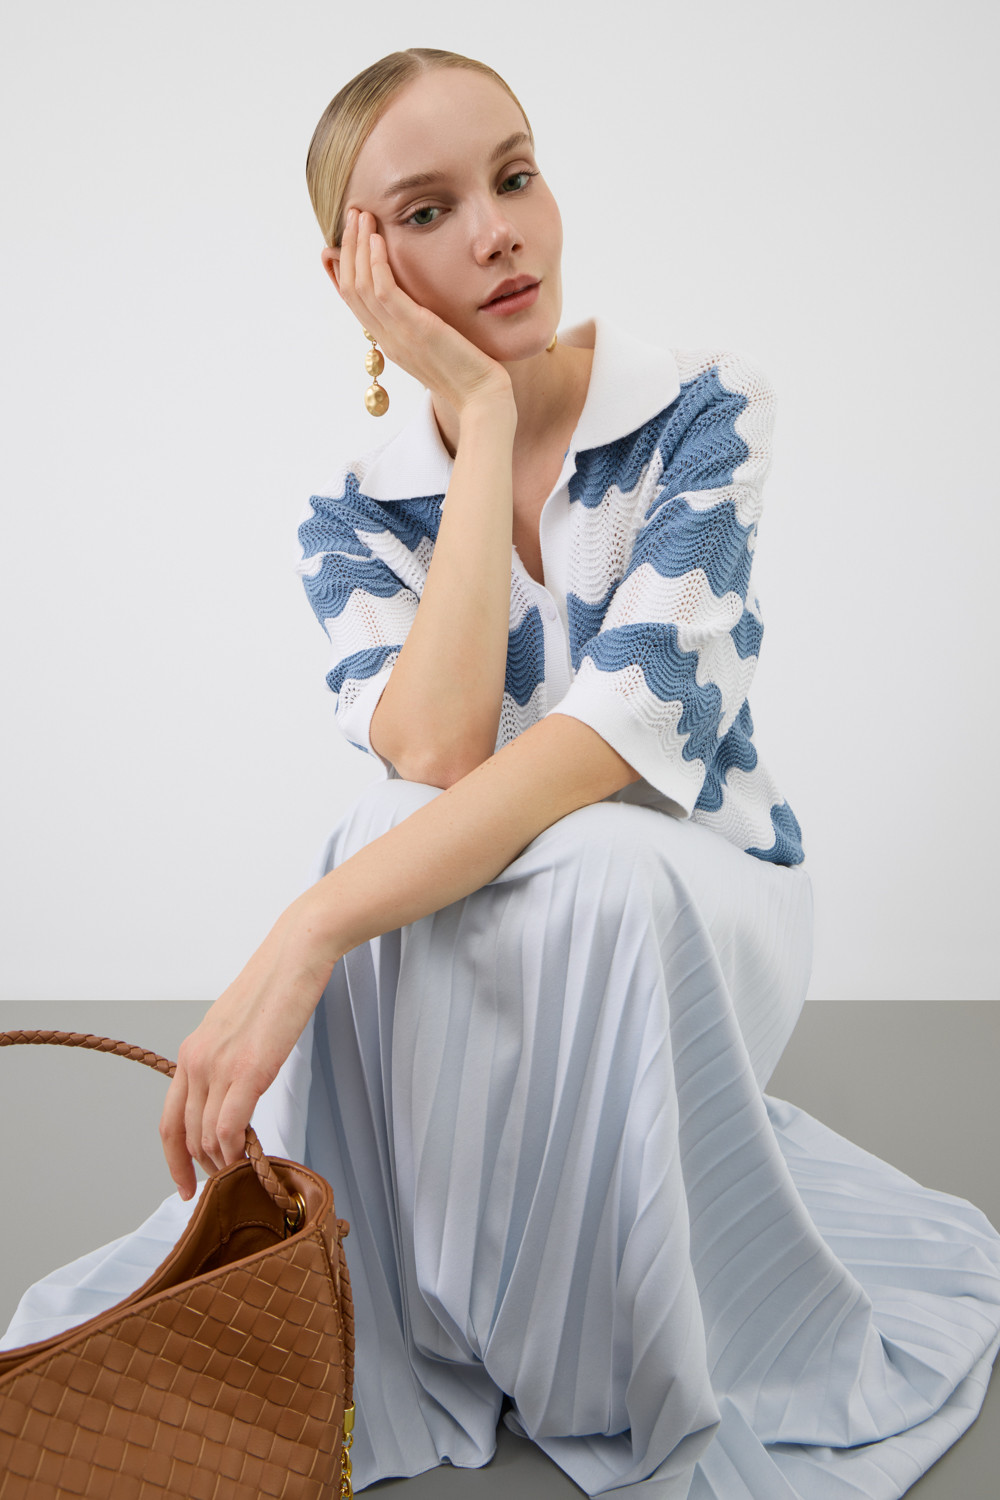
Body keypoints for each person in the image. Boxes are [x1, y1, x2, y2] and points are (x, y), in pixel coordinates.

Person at [4, 46, 999, 1500]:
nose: (497, 233)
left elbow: (603, 753)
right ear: (356, 274)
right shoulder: (353, 510)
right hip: (502, 912)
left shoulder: (703, 411)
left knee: (570, 853)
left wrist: (307, 930)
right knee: (385, 809)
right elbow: (443, 753)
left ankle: (609, 1342)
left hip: (693, 906)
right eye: (428, 211)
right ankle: (415, 1306)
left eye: (515, 177)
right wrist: (476, 424)